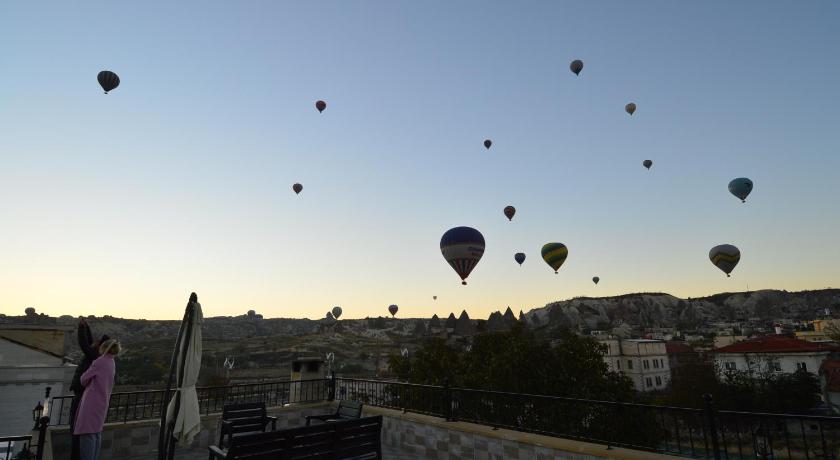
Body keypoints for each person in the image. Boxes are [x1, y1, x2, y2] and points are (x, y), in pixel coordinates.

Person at [74, 339, 120, 460]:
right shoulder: (111, 362)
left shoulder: (99, 362)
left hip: (91, 402)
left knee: (87, 434)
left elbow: (83, 379)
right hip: (103, 403)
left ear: (104, 348)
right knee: (96, 433)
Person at [70, 319, 109, 460]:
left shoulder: (94, 356)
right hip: (87, 398)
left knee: (78, 432)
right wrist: (87, 327)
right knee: (93, 434)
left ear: (99, 346)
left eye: (97, 342)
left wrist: (81, 328)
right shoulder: (103, 358)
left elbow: (84, 344)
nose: (94, 341)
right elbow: (90, 341)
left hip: (82, 397)